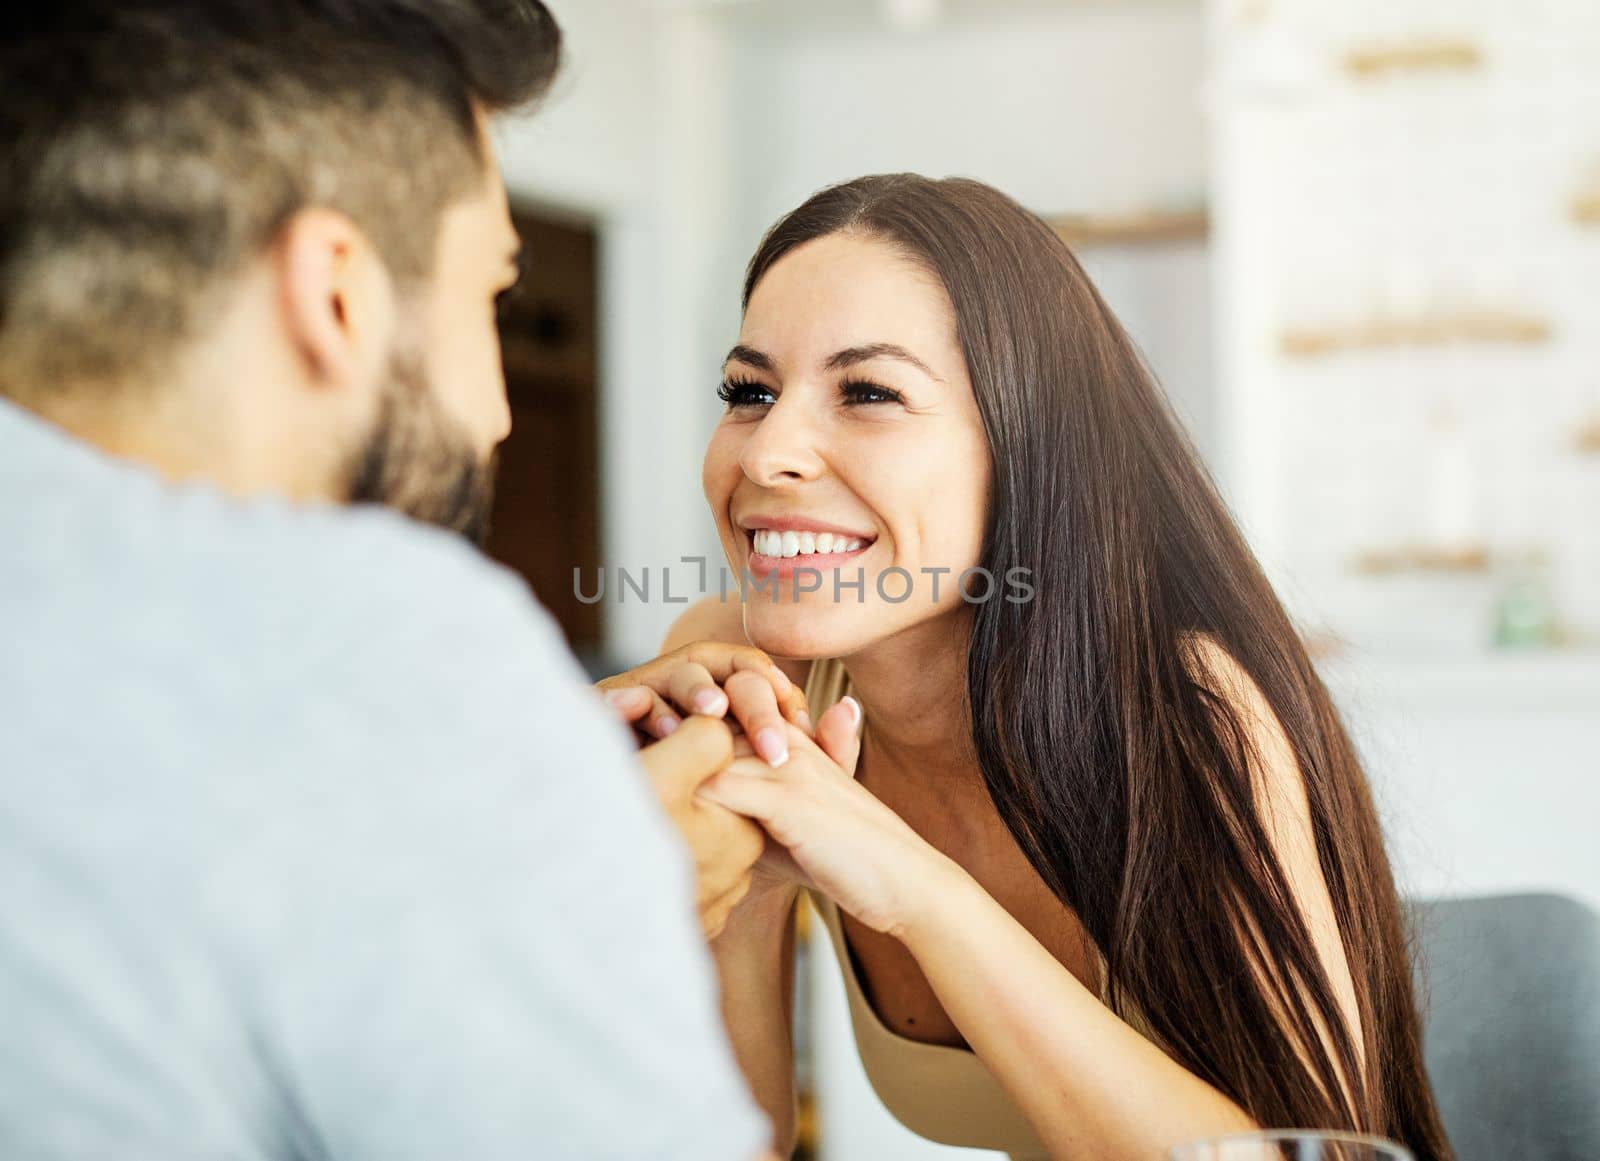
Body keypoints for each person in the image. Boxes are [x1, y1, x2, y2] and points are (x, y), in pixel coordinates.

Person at [0, 3, 776, 1157]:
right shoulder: (389, 643)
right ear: (337, 295)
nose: (499, 410)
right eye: (490, 298)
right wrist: (590, 898)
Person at [602, 175, 1455, 1161]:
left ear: (1026, 441)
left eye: (870, 393)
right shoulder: (736, 672)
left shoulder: (1192, 716)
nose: (769, 452)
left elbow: (1319, 1154)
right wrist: (730, 893)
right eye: (749, 393)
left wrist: (911, 888)